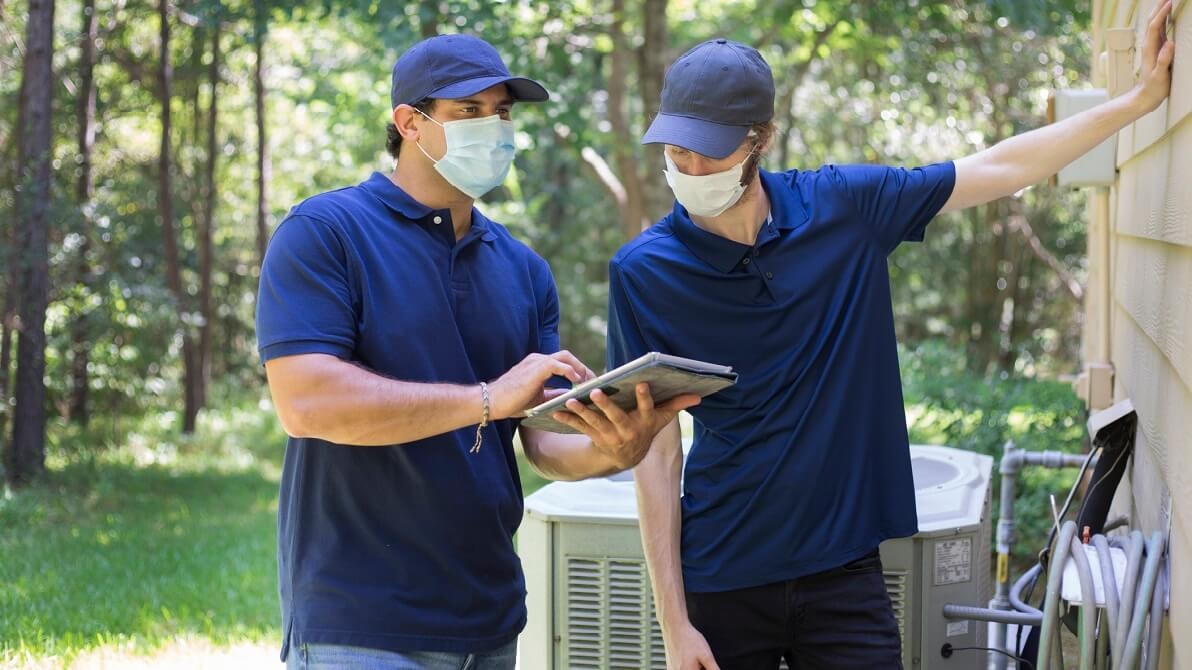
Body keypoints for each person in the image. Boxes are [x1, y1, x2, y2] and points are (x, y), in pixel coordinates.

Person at [608, 4, 1175, 669]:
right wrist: (673, 623)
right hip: (722, 576)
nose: (690, 168)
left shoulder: (843, 209)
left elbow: (999, 169)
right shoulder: (642, 272)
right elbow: (655, 455)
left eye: (710, 150)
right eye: (677, 150)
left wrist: (1138, 100)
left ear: (761, 138)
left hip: (842, 570)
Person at [256, 33, 697, 670]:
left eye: (503, 113)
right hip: (361, 625)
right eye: (470, 111)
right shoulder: (325, 233)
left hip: (490, 625)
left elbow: (541, 445)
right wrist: (487, 399)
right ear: (410, 122)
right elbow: (307, 403)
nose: (494, 129)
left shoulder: (523, 270)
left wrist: (614, 447)